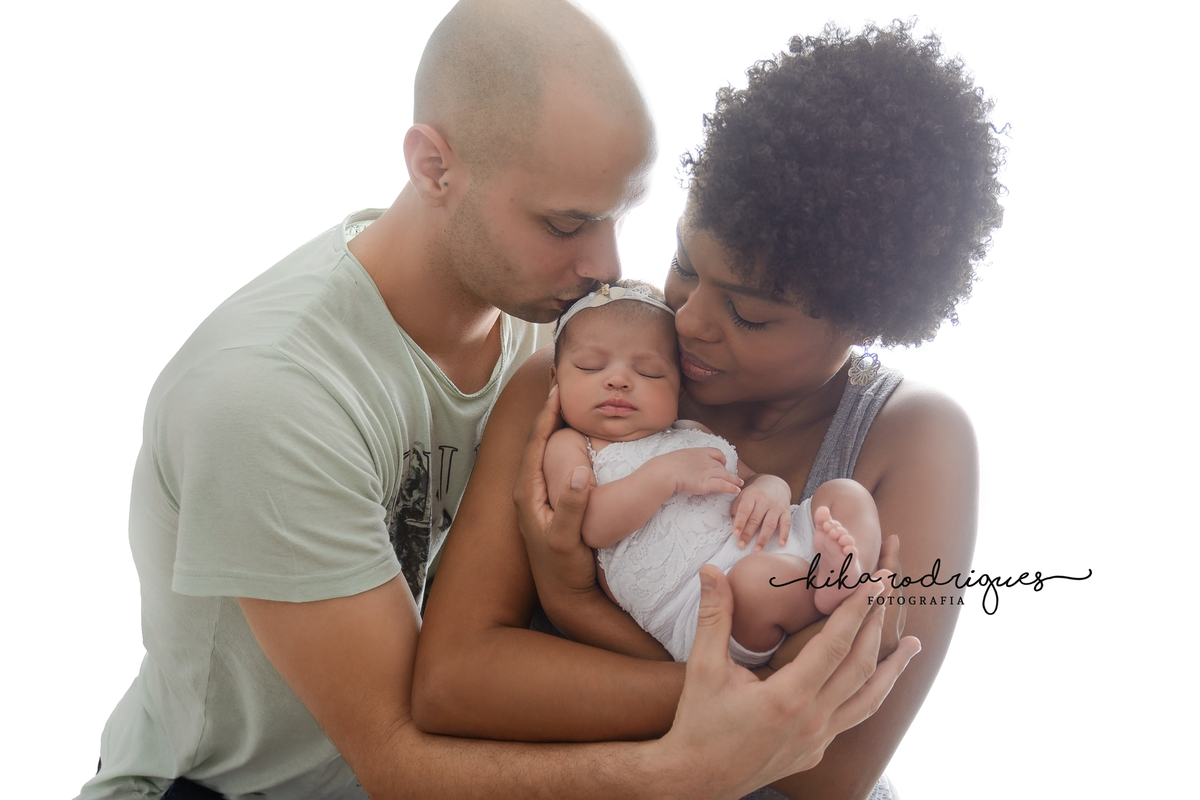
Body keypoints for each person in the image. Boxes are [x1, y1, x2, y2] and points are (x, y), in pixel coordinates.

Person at [77, 2, 917, 799]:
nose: (606, 267)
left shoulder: (560, 336)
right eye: (566, 224)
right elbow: (398, 757)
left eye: (620, 217)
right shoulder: (270, 399)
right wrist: (705, 746)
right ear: (433, 167)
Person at [413, 19, 1001, 800]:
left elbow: (832, 771)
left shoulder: (916, 443)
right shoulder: (591, 382)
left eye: (749, 315)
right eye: (686, 264)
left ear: (863, 323)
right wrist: (759, 698)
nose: (686, 322)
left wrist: (576, 605)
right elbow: (452, 683)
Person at [543, 280, 881, 667]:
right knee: (756, 583)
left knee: (845, 493)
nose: (618, 381)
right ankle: (827, 589)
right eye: (590, 366)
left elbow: (751, 479)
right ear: (555, 379)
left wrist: (770, 488)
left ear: (678, 391)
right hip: (706, 604)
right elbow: (588, 526)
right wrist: (664, 475)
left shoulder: (692, 433)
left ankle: (846, 574)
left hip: (780, 541)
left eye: (649, 372)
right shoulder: (572, 446)